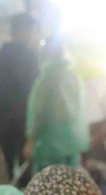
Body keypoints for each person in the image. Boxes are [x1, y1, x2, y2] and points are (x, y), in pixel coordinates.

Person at [0, 13, 42, 177]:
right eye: (32, 31)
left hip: (1, 119)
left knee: (2, 169)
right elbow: (35, 91)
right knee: (26, 171)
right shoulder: (30, 57)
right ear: (25, 31)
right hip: (24, 121)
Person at [24, 39, 90, 173]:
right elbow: (82, 110)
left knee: (48, 183)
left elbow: (36, 111)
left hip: (49, 147)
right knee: (70, 181)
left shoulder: (46, 79)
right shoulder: (74, 77)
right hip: (73, 144)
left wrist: (30, 140)